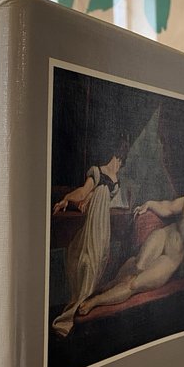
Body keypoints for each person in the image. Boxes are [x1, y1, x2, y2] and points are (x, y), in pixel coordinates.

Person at [78, 173, 184, 315]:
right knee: (138, 266)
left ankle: (96, 301)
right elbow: (168, 208)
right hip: (163, 236)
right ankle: (110, 285)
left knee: (134, 284)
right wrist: (149, 204)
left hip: (171, 258)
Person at [52, 139, 129, 337]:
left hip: (104, 228)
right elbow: (83, 192)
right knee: (88, 263)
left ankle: (84, 310)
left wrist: (90, 198)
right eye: (121, 161)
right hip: (93, 225)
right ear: (118, 157)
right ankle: (71, 316)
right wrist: (67, 199)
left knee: (98, 262)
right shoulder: (97, 171)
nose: (120, 166)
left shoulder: (117, 182)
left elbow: (104, 199)